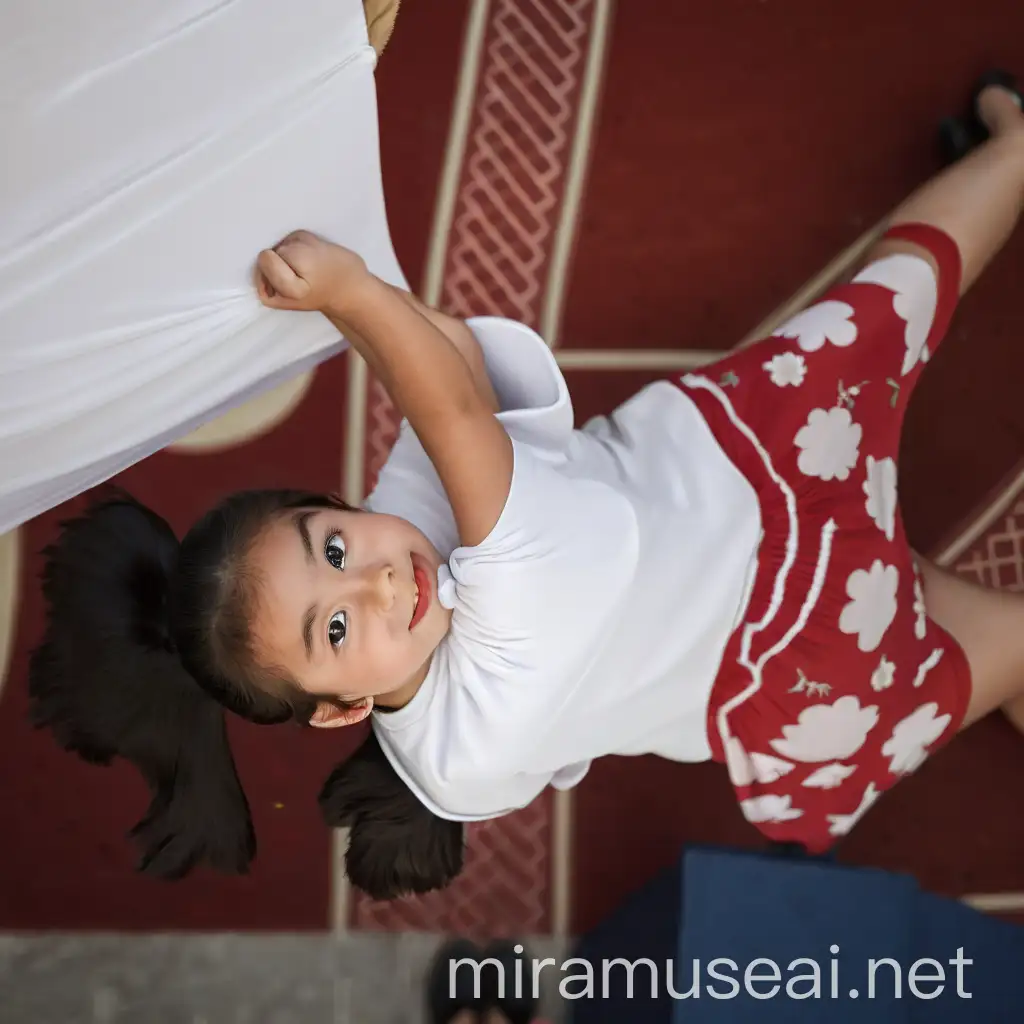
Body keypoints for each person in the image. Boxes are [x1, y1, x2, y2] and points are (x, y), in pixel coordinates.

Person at [28, 72, 1024, 896]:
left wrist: (386, 320)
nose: (374, 583)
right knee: (897, 348)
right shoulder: (494, 685)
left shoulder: (415, 605)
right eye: (335, 630)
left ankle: (1013, 150)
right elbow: (455, 418)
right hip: (805, 646)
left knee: (888, 298)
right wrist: (347, 294)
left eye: (332, 546)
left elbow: (453, 361)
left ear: (331, 505)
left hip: (738, 471)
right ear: (343, 708)